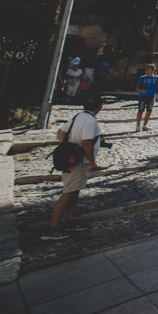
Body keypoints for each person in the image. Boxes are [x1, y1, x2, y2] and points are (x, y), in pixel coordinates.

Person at [42, 95, 103, 240]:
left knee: (74, 191)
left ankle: (70, 219)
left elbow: (61, 132)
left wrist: (68, 146)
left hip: (74, 160)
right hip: (79, 162)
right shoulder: (90, 121)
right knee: (68, 193)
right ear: (99, 107)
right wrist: (92, 161)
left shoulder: (78, 116)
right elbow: (87, 143)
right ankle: (53, 227)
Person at [136, 64, 158, 132]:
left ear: (153, 70)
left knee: (149, 111)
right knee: (140, 110)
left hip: (151, 96)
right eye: (147, 69)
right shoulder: (142, 78)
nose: (147, 71)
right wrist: (140, 90)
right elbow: (137, 87)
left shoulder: (156, 78)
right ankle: (138, 125)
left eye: (149, 69)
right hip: (142, 96)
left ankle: (145, 125)